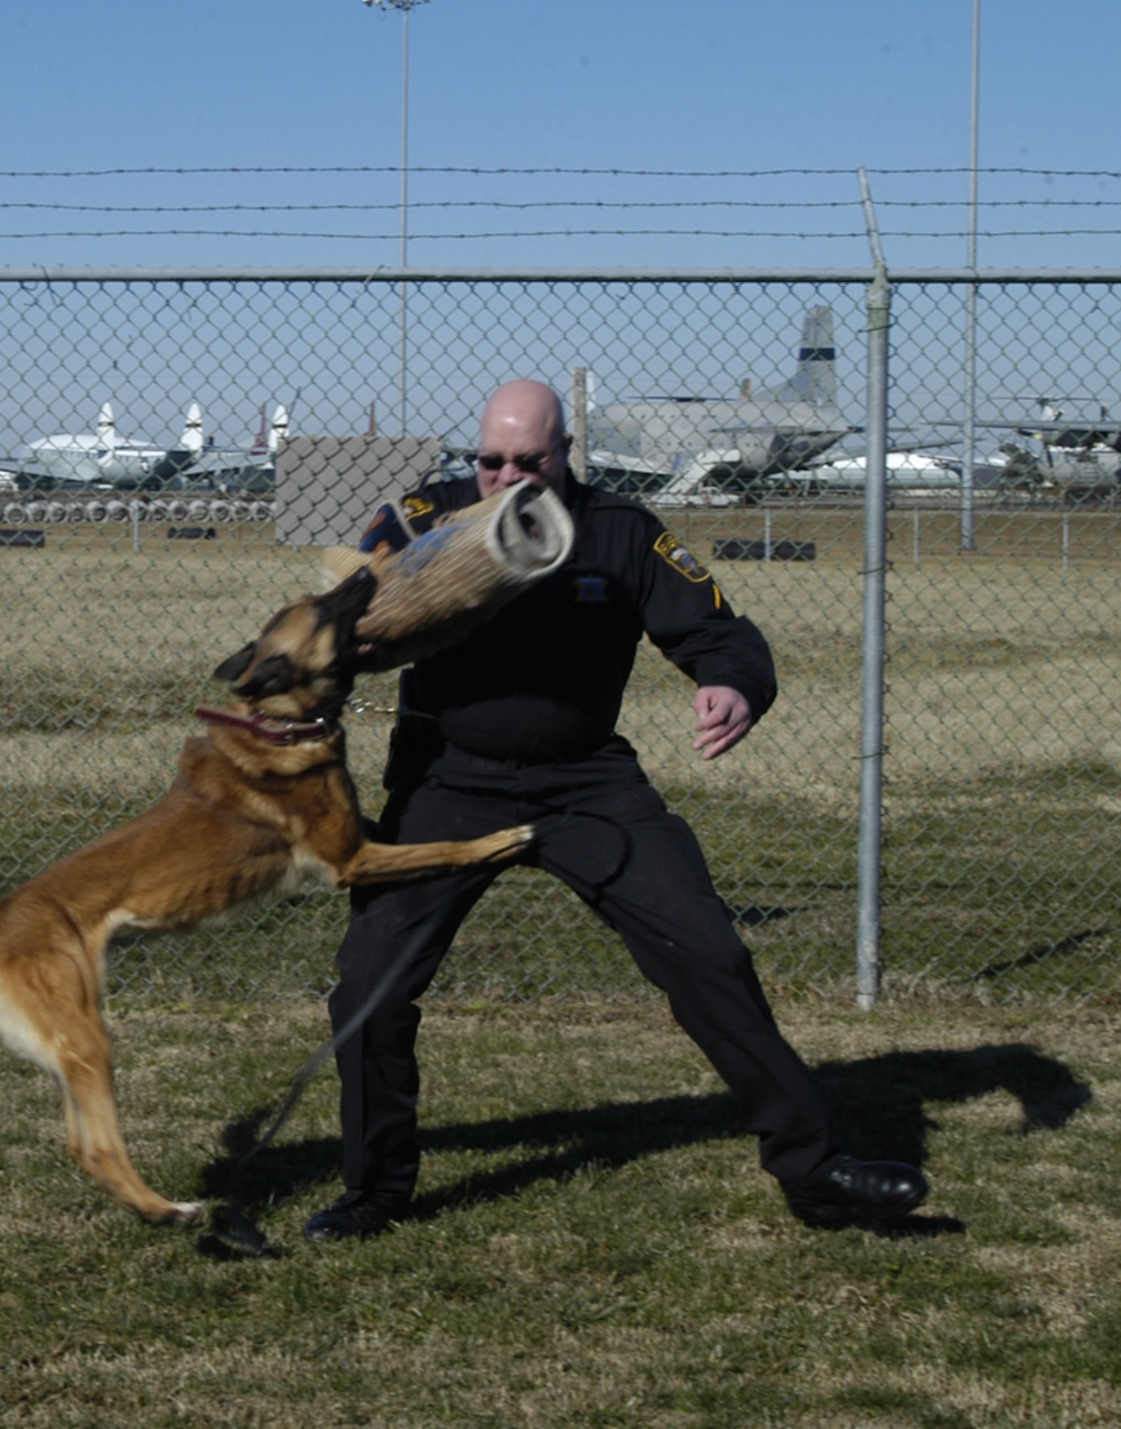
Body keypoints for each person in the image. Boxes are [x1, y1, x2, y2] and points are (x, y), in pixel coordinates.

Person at [304, 378, 928, 1240]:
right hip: (447, 781)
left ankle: (814, 1171)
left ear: (567, 453)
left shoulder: (624, 531)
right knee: (369, 990)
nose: (508, 478)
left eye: (532, 459)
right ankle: (374, 1189)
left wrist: (731, 684)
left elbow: (718, 630)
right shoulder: (424, 514)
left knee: (707, 956)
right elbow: (340, 604)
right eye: (491, 460)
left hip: (586, 784)